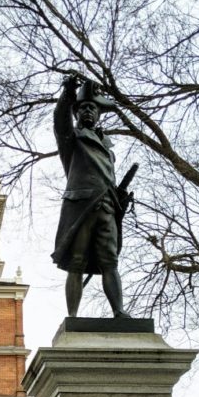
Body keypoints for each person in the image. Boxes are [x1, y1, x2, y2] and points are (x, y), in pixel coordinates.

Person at [52, 73, 137, 318]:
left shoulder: (108, 148)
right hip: (81, 206)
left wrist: (119, 197)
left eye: (92, 108)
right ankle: (73, 318)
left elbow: (106, 177)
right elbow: (60, 119)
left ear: (99, 114)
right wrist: (68, 93)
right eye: (83, 108)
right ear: (76, 113)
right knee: (76, 262)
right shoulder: (71, 138)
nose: (88, 111)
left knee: (110, 261)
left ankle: (119, 312)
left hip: (108, 207)